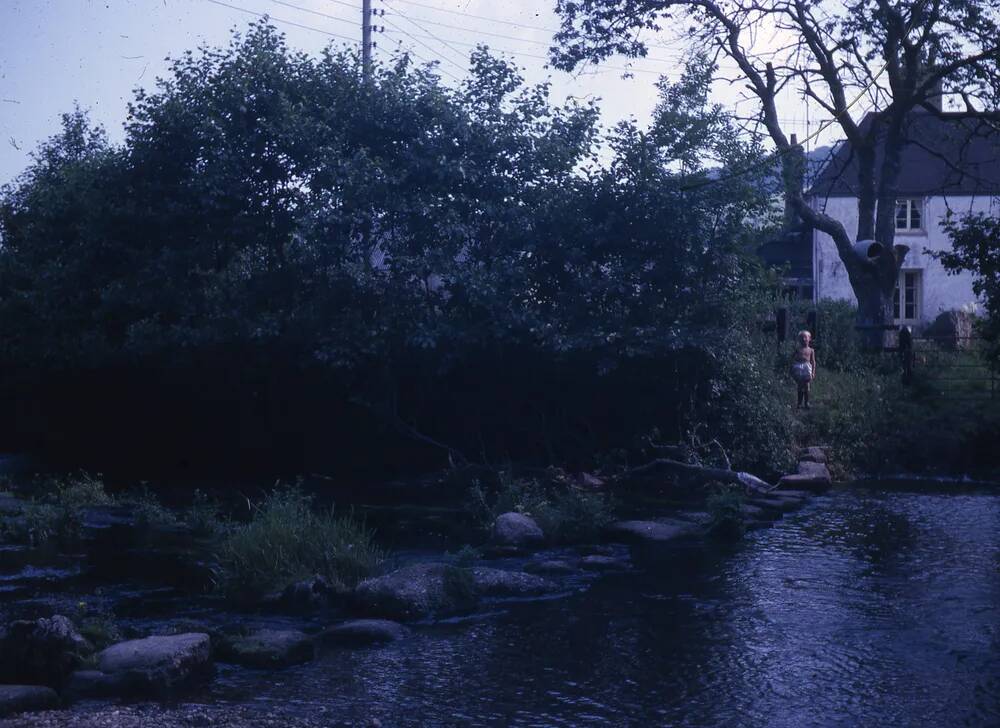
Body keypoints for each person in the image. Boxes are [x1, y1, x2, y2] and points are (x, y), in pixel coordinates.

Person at [791, 330, 817, 409]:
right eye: (802, 337)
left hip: (807, 367)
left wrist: (813, 372)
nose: (804, 339)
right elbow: (793, 359)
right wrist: (792, 369)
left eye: (806, 337)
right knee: (799, 385)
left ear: (809, 339)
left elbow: (813, 361)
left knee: (806, 385)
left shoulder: (811, 350)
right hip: (799, 367)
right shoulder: (797, 349)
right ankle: (799, 402)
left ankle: (806, 402)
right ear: (799, 339)